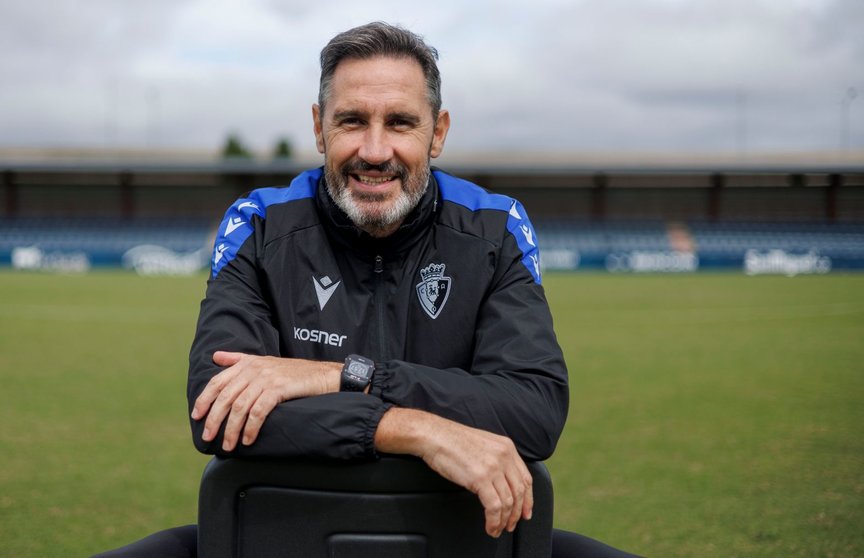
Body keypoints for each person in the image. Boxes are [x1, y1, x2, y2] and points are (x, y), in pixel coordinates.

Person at [96, 21, 640, 558]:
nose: (375, 151)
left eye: (400, 122)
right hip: (283, 531)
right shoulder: (260, 225)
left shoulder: (494, 229)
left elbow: (534, 410)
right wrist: (413, 428)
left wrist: (338, 377)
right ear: (318, 128)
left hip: (462, 538)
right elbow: (215, 406)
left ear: (439, 132)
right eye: (352, 121)